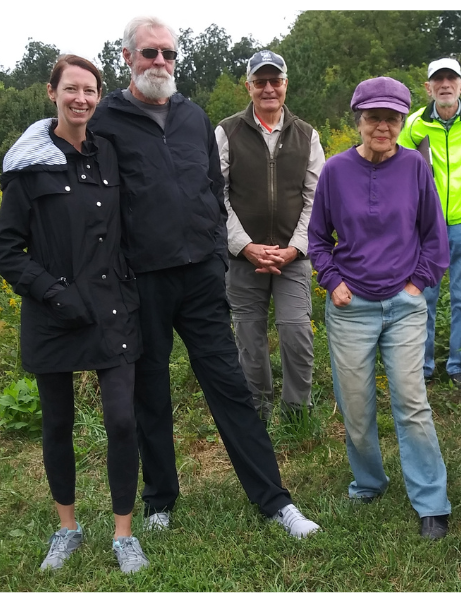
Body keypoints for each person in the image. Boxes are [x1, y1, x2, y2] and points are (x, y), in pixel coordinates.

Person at [87, 15, 318, 541]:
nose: (160, 63)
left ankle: (276, 501)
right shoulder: (107, 119)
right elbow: (76, 166)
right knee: (152, 392)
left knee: (230, 388)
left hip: (199, 279)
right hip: (141, 280)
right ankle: (160, 500)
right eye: (149, 54)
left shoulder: (193, 116)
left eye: (168, 53)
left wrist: (216, 253)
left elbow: (215, 190)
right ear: (127, 58)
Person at [0, 55, 149, 573]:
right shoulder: (28, 165)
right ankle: (68, 528)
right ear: (52, 93)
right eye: (71, 89)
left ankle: (124, 534)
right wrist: (54, 294)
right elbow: (7, 249)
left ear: (99, 97)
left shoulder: (108, 155)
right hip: (53, 313)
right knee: (57, 424)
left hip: (113, 310)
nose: (81, 99)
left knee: (123, 422)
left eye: (90, 90)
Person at [308, 76, 453, 540]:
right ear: (360, 120)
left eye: (392, 118)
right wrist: (332, 282)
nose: (383, 127)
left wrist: (419, 283)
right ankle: (369, 481)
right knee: (355, 406)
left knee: (412, 401)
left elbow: (435, 235)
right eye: (374, 118)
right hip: (352, 307)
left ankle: (431, 501)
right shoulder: (335, 170)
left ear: (401, 121)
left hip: (403, 304)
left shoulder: (414, 166)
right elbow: (317, 239)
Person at [215, 49, 325, 423]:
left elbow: (315, 197)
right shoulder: (226, 131)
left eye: (274, 81)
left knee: (297, 334)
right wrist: (243, 246)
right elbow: (217, 195)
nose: (267, 89)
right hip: (242, 259)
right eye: (259, 81)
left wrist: (295, 249)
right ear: (248, 86)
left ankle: (297, 413)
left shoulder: (307, 134)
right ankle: (256, 412)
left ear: (285, 85)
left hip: (292, 258)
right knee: (249, 339)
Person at [399, 58, 461, 390]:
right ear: (428, 87)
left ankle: (460, 365)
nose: (445, 85)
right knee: (423, 293)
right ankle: (422, 366)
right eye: (438, 80)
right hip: (426, 225)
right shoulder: (413, 125)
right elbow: (401, 173)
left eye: (451, 78)